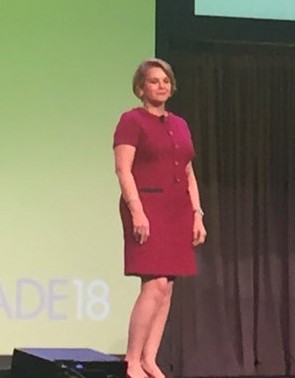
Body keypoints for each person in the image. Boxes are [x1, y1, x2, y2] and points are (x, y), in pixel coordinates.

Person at [113, 58, 206, 378]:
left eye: (165, 80)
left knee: (167, 286)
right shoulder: (131, 120)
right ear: (141, 88)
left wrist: (197, 214)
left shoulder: (179, 124)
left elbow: (188, 172)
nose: (161, 85)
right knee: (154, 283)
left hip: (177, 209)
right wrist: (136, 209)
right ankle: (131, 360)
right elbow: (123, 169)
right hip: (147, 206)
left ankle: (149, 358)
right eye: (154, 81)